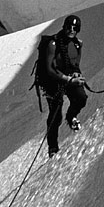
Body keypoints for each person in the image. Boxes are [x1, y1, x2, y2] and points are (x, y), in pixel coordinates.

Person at [40, 14, 87, 157]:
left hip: (68, 79)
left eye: (74, 28)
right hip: (52, 82)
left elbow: (75, 64)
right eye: (69, 27)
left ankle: (71, 116)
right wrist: (69, 79)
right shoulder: (53, 44)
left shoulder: (78, 44)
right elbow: (50, 70)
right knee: (55, 114)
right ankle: (52, 148)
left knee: (81, 98)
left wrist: (76, 74)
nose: (71, 30)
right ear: (64, 27)